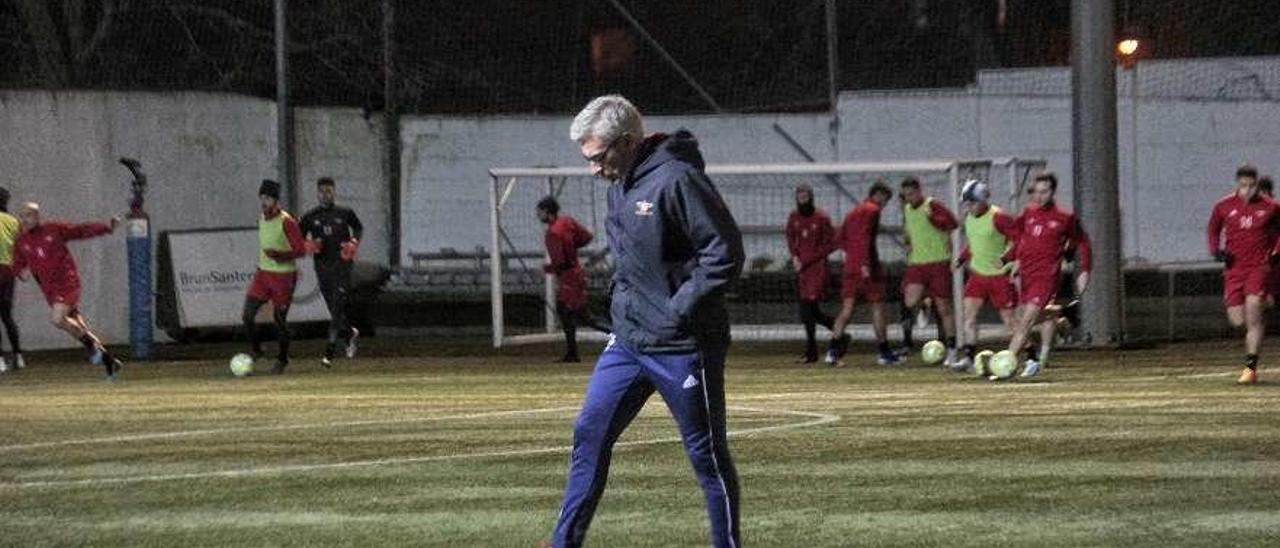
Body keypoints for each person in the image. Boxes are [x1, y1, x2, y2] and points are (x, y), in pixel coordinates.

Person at [543, 95, 744, 548]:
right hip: (629, 343)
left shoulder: (677, 179)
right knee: (588, 433)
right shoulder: (621, 183)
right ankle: (563, 543)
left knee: (706, 457)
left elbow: (725, 253)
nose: (594, 169)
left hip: (683, 345)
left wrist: (677, 308)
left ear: (628, 142)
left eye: (598, 157)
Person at [11, 202, 121, 379]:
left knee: (57, 319)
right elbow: (17, 265)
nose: (25, 219)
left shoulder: (53, 229)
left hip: (67, 282)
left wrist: (106, 227)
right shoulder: (22, 242)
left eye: (29, 215)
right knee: (78, 326)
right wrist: (21, 272)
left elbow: (80, 230)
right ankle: (110, 362)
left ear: (37, 216)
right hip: (50, 290)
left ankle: (94, 349)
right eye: (22, 216)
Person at [1004, 172, 1091, 379]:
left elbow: (1083, 242)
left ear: (1053, 192)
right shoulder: (1029, 212)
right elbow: (1019, 236)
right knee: (1021, 318)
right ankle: (1062, 313)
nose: (1039, 196)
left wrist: (1085, 270)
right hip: (1026, 273)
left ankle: (1006, 364)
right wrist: (1013, 258)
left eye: (1045, 192)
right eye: (1036, 192)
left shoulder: (1065, 217)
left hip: (1046, 277)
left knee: (1025, 322)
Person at [1207, 166, 1280, 385]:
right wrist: (1216, 251)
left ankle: (1250, 368)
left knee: (1253, 308)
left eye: (1251, 186)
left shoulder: (1272, 207)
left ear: (1257, 185)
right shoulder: (1223, 206)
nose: (1247, 190)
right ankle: (1262, 307)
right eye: (1243, 186)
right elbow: (1212, 229)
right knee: (1238, 320)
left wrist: (1276, 252)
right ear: (1236, 186)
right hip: (1234, 270)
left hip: (1259, 267)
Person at [827, 180, 898, 367]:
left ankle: (832, 352)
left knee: (847, 309)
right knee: (877, 308)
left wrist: (853, 258)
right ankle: (884, 353)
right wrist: (865, 263)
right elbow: (865, 236)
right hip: (868, 267)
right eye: (885, 200)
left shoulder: (853, 211)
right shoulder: (872, 210)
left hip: (850, 267)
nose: (885, 204)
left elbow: (840, 238)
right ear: (879, 195)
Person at [951, 179, 1019, 372]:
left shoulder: (999, 217)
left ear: (983, 200)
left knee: (1010, 322)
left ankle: (1031, 356)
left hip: (998, 277)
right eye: (967, 202)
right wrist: (961, 258)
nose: (969, 206)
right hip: (977, 275)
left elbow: (1018, 240)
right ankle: (969, 357)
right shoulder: (970, 218)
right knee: (968, 316)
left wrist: (1006, 259)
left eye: (972, 202)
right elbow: (974, 243)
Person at [243, 179, 308, 374]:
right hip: (263, 274)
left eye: (268, 198)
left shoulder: (287, 222)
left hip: (283, 277)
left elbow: (301, 250)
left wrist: (280, 256)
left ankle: (282, 359)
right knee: (247, 315)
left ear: (276, 201)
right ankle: (257, 350)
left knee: (279, 319)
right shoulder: (262, 218)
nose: (264, 202)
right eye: (262, 197)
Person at [300, 177, 363, 367]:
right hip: (322, 267)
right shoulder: (311, 216)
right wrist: (308, 245)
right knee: (333, 308)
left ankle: (329, 352)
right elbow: (298, 236)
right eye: (322, 191)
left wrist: (353, 242)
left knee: (337, 308)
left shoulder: (345, 213)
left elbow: (358, 227)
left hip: (342, 266)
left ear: (334, 192)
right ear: (317, 193)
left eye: (329, 191)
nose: (325, 195)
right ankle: (350, 333)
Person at [899, 177, 960, 366]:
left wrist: (936, 221)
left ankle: (952, 349)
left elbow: (953, 223)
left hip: (937, 262)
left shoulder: (931, 205)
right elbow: (909, 232)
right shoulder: (908, 210)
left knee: (944, 309)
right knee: (909, 300)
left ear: (919, 191)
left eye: (911, 194)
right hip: (917, 263)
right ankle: (926, 302)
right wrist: (908, 243)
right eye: (905, 195)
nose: (909, 198)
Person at [537, 195, 598, 363]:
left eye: (540, 212)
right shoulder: (568, 222)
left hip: (568, 278)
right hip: (576, 274)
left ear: (547, 212)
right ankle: (572, 352)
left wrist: (546, 269)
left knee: (583, 316)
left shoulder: (553, 233)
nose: (538, 216)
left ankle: (617, 336)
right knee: (566, 313)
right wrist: (572, 247)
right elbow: (587, 237)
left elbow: (560, 262)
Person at [785, 183, 837, 363]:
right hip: (802, 271)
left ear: (811, 197)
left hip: (817, 269)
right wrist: (794, 257)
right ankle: (840, 333)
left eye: (805, 197)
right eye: (800, 198)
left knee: (807, 310)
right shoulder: (794, 217)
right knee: (811, 312)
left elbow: (832, 243)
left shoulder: (821, 217)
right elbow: (790, 237)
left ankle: (812, 351)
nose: (803, 201)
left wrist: (809, 259)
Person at [0, 188, 23, 373]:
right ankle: (18, 356)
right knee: (7, 316)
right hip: (8, 271)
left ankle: (0, 360)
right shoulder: (14, 222)